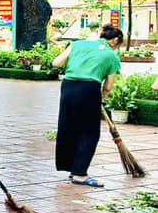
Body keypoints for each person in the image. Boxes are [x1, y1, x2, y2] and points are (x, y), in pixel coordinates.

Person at [51, 24, 123, 187]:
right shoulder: (111, 56)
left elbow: (56, 63)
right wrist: (102, 98)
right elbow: (109, 85)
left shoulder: (77, 44)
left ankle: (71, 168)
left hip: (68, 87)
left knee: (69, 127)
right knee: (89, 133)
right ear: (115, 40)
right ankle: (80, 174)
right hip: (89, 90)